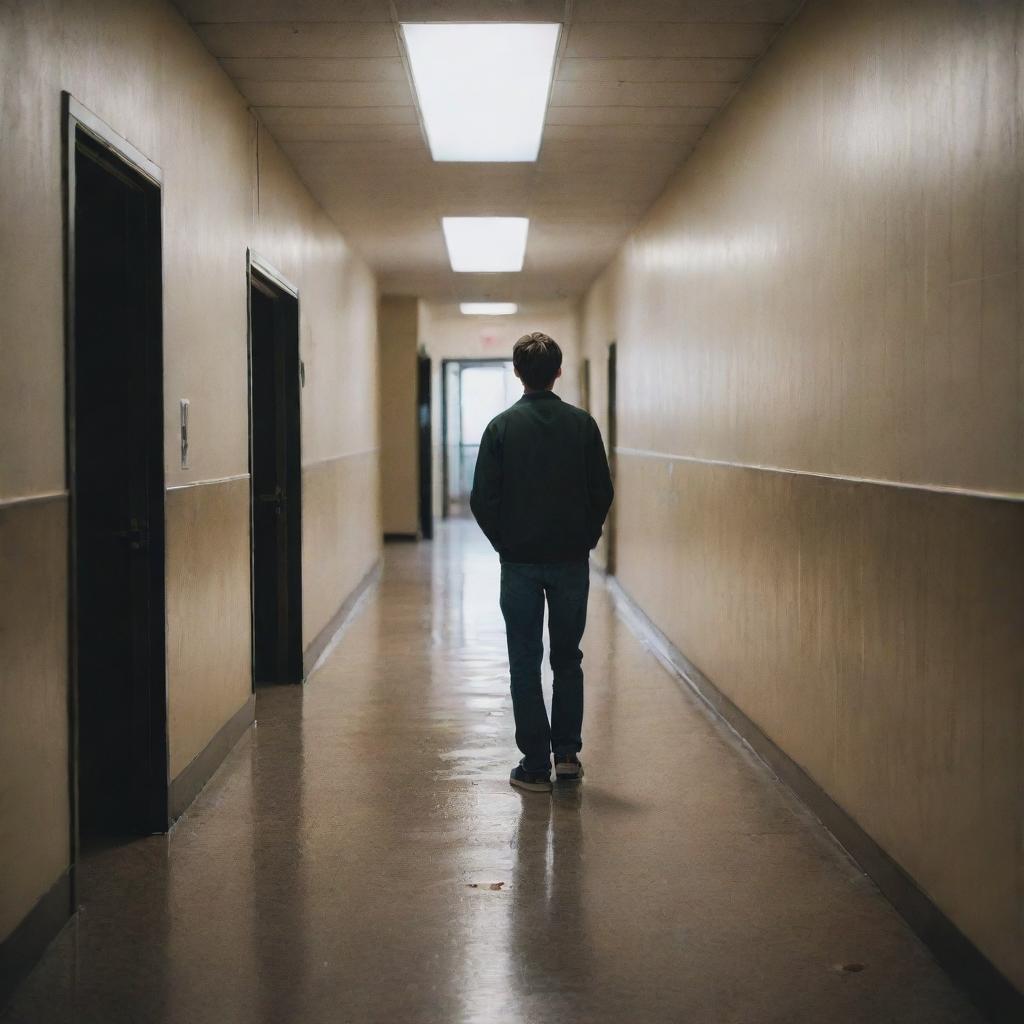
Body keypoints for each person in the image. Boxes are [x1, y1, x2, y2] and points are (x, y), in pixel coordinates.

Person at [470, 332, 614, 793]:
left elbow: (481, 500)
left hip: (520, 564)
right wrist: (584, 539)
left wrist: (505, 543)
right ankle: (567, 755)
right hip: (570, 561)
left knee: (524, 661)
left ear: (517, 372)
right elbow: (602, 493)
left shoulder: (500, 428)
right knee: (568, 657)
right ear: (558, 371)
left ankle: (534, 764)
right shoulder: (582, 425)